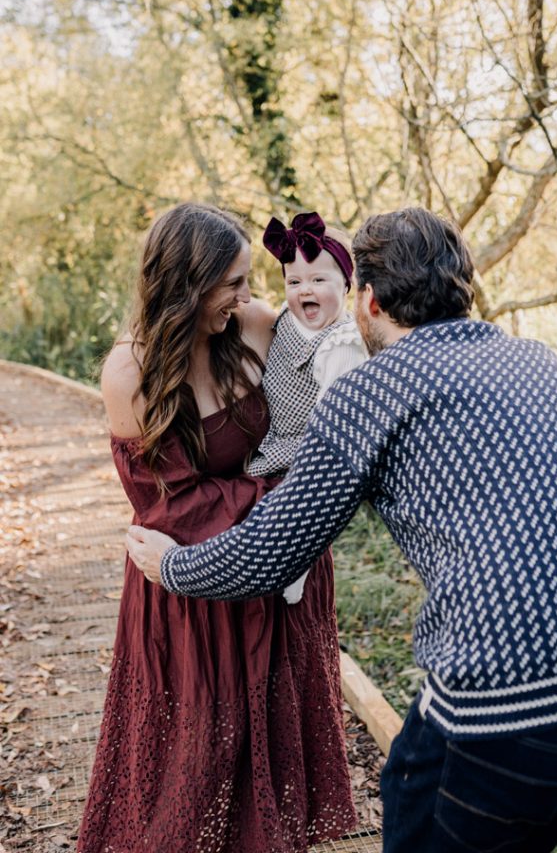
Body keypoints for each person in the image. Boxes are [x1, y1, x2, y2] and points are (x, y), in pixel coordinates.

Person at [126, 207, 557, 853]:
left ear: (367, 301)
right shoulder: (538, 358)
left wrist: (172, 566)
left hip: (517, 703)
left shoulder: (369, 391)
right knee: (412, 779)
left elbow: (273, 553)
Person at [78, 203, 357, 853]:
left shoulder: (257, 328)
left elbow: (336, 361)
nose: (249, 295)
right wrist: (289, 500)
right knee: (195, 756)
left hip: (278, 575)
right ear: (185, 284)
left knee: (272, 743)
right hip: (187, 585)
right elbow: (168, 508)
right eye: (232, 282)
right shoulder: (130, 375)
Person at [248, 211, 366, 603]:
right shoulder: (285, 321)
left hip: (305, 454)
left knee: (290, 516)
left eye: (318, 280)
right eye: (294, 281)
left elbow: (333, 433)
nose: (304, 291)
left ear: (346, 285)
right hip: (271, 443)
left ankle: (295, 565)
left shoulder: (342, 343)